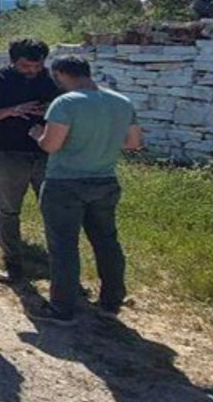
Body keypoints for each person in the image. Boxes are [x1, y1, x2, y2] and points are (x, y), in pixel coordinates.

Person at [28, 55, 141, 326]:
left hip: (65, 183)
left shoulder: (66, 103)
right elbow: (134, 143)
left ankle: (62, 307)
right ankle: (112, 300)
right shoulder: (121, 102)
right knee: (106, 241)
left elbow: (52, 145)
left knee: (63, 246)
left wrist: (37, 135)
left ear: (60, 74)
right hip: (105, 180)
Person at [0, 38, 60, 284]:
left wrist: (48, 111)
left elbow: (66, 111)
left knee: (54, 210)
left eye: (36, 66)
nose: (31, 71)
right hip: (7, 154)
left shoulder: (52, 80)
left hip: (47, 153)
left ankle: (60, 265)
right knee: (8, 210)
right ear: (12, 61)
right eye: (24, 67)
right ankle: (13, 263)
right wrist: (11, 111)